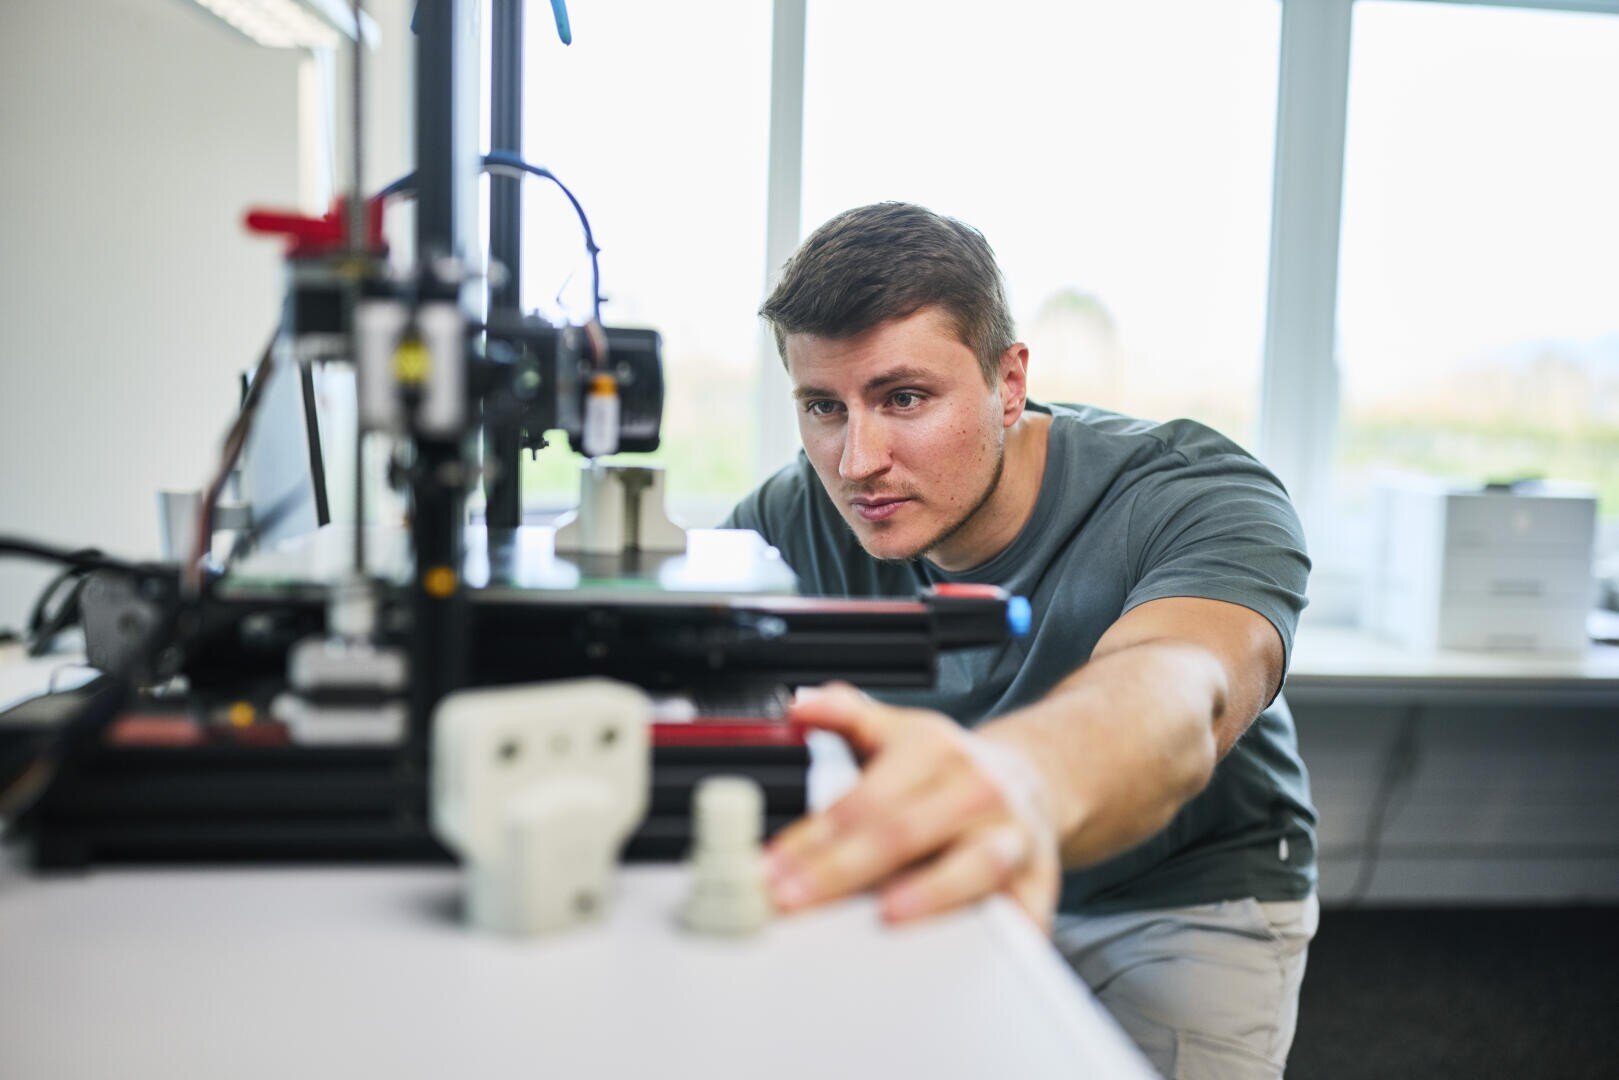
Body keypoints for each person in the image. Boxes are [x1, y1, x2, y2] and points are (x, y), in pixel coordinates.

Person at [724, 202, 1319, 1079]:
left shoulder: (1188, 491)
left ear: (1008, 384)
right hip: (954, 868)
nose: (856, 461)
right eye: (823, 406)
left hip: (1177, 899)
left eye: (904, 398)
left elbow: (1180, 688)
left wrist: (1020, 780)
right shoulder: (794, 516)